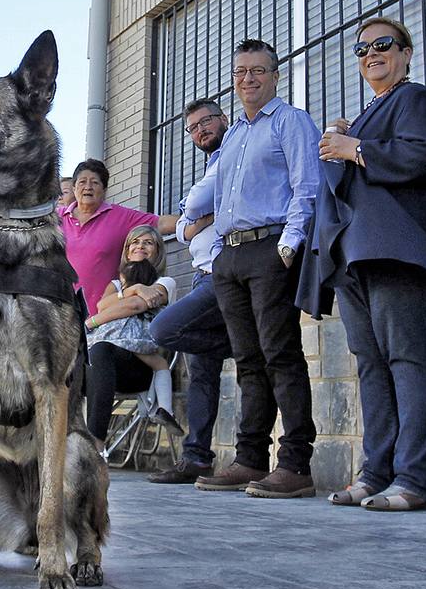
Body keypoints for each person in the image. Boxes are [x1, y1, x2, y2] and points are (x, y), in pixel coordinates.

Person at [298, 18, 426, 511]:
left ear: (407, 52)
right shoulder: (365, 115)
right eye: (361, 49)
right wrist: (347, 141)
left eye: (383, 45)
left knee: (408, 359)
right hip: (354, 258)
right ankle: (376, 472)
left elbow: (421, 156)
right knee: (371, 366)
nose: (371, 54)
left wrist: (355, 148)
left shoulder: (417, 98)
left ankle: (416, 478)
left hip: (398, 249)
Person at [190, 38, 322, 499]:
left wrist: (289, 246)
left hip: (271, 250)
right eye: (240, 71)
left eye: (258, 71)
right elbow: (217, 195)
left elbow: (308, 188)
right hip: (229, 257)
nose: (248, 79)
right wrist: (199, 230)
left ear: (275, 75)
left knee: (279, 354)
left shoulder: (291, 122)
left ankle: (295, 463)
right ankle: (249, 458)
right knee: (247, 360)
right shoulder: (233, 135)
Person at [147, 99, 235, 484]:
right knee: (201, 371)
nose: (201, 130)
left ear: (224, 119)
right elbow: (182, 227)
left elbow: (195, 206)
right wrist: (189, 220)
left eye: (207, 122)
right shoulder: (211, 164)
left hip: (224, 272)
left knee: (164, 330)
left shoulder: (235, 150)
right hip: (202, 273)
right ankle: (196, 458)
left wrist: (194, 213)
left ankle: (242, 345)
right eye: (193, 128)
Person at [83, 226, 179, 442]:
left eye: (148, 243)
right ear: (126, 251)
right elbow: (102, 305)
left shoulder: (164, 283)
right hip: (105, 364)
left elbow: (135, 306)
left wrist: (93, 321)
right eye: (135, 242)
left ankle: (95, 443)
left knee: (99, 349)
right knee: (76, 360)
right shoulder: (115, 284)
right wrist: (135, 289)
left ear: (158, 251)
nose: (140, 246)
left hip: (139, 366)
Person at [59, 159, 179, 317]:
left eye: (95, 182)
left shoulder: (120, 217)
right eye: (82, 182)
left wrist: (200, 218)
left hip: (102, 316)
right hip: (59, 313)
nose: (88, 187)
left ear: (104, 189)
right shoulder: (54, 219)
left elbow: (161, 223)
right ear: (74, 188)